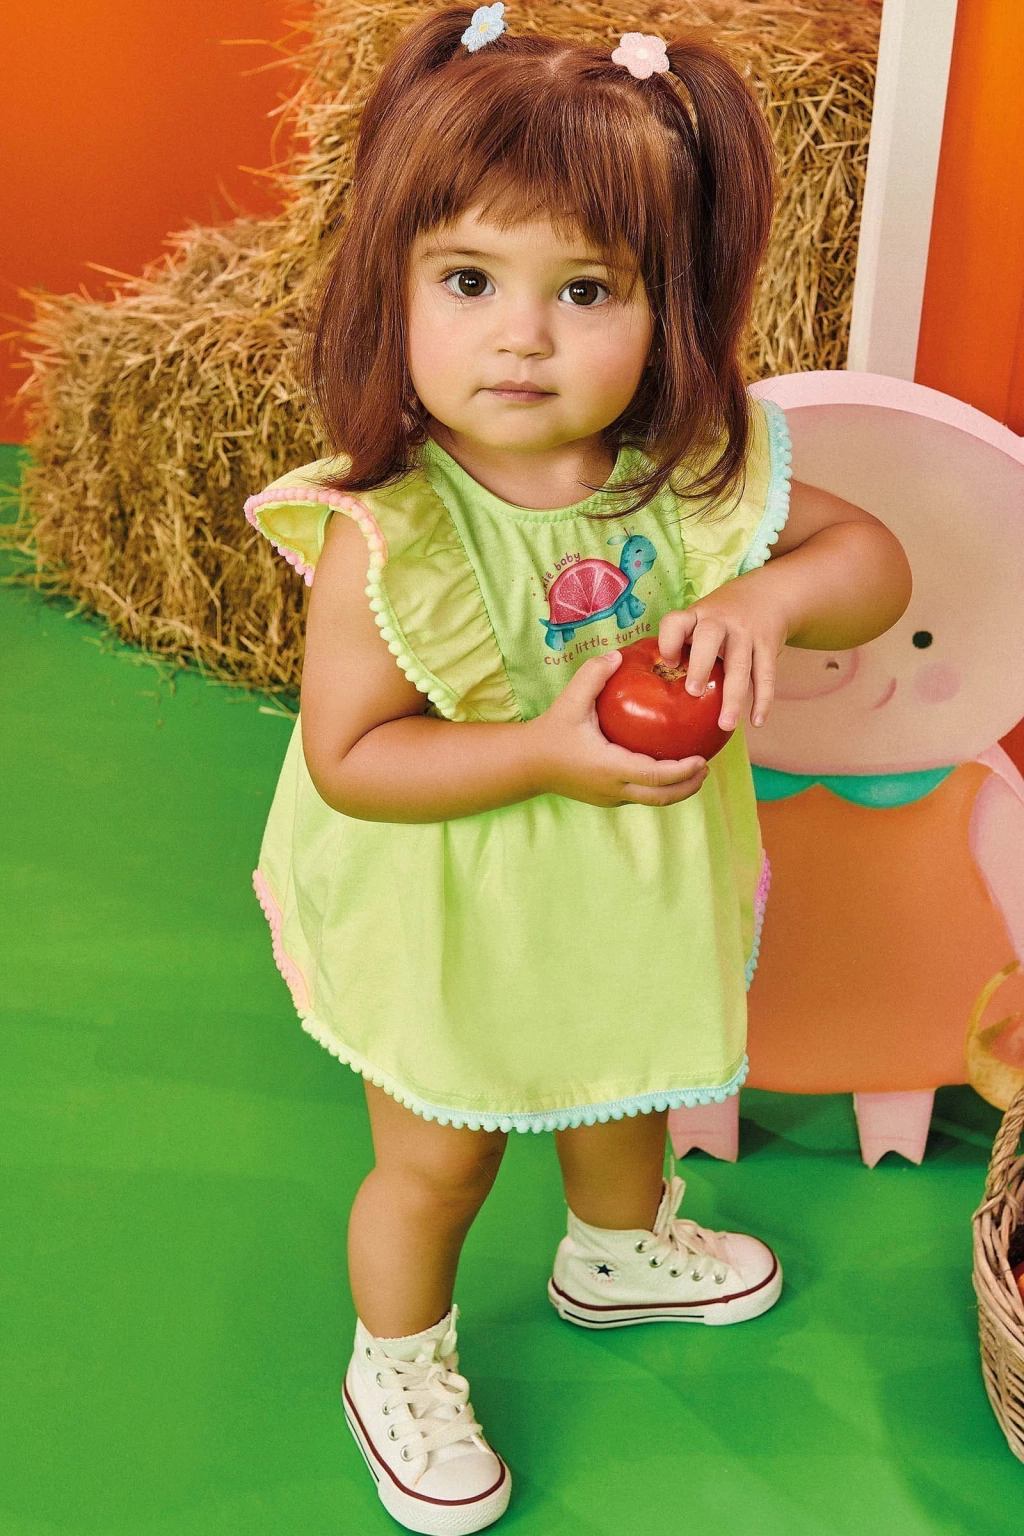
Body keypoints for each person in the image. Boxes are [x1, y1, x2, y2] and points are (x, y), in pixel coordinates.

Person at [243, 7, 912, 1532]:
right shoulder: (390, 530)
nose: (522, 336)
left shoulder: (688, 478)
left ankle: (616, 1250)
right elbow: (354, 761)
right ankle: (397, 1359)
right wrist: (546, 750)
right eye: (469, 280)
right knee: (440, 1161)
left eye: (587, 289)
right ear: (393, 284)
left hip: (622, 887)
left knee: (622, 1080)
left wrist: (765, 601)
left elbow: (870, 566)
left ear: (671, 307)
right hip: (456, 905)